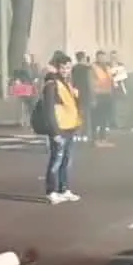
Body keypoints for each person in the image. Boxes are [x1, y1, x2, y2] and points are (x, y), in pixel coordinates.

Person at [35, 52, 83, 203]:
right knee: (56, 159)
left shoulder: (66, 83)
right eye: (63, 68)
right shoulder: (51, 85)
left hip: (69, 127)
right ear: (57, 68)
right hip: (59, 128)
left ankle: (64, 189)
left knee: (66, 160)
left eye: (68, 68)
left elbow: (71, 105)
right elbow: (49, 110)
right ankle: (51, 191)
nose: (66, 71)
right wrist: (54, 132)